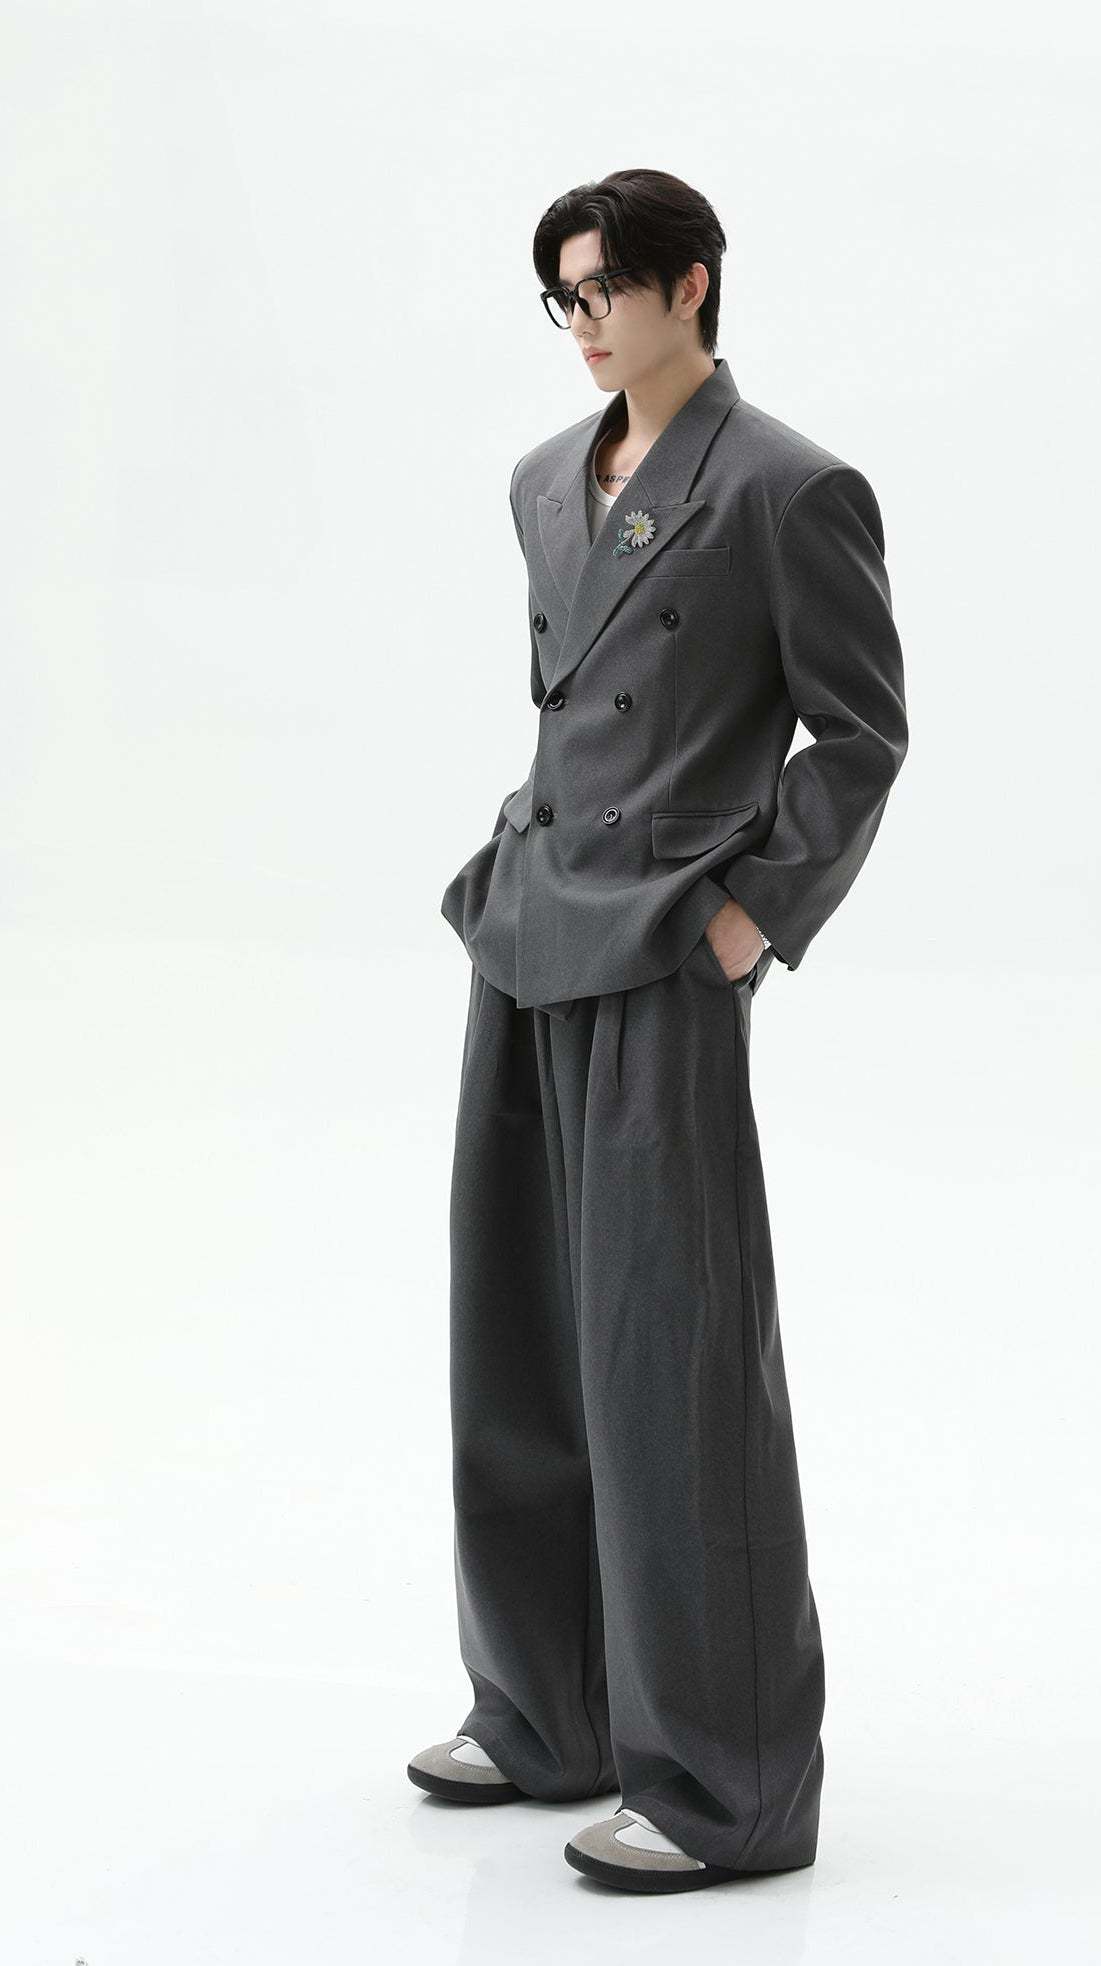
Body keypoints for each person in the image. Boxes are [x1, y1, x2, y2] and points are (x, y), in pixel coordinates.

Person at [408, 168, 909, 1893]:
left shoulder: (785, 485)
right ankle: (546, 1708)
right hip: (528, 925)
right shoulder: (545, 478)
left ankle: (726, 1783)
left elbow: (861, 734)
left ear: (691, 284)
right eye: (563, 295)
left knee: (671, 1360)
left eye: (607, 287)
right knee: (518, 1335)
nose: (584, 322)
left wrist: (745, 916)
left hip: (662, 946)